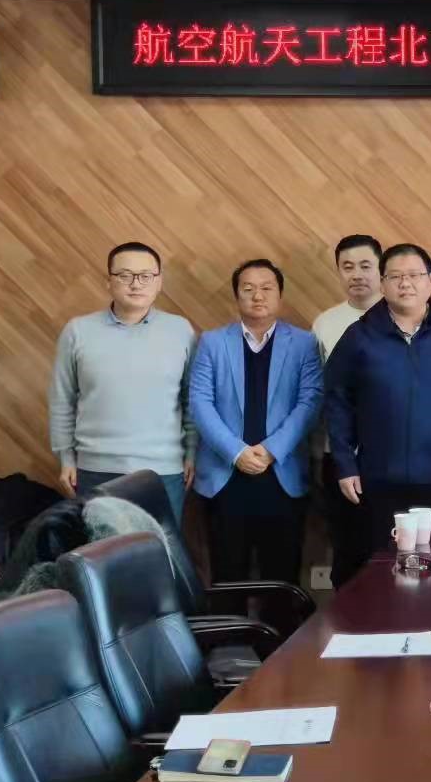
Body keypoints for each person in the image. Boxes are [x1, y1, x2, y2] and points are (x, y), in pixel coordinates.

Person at [324, 243, 431, 585]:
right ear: (383, 283)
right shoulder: (359, 336)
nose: (406, 283)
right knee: (381, 572)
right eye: (396, 276)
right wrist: (345, 464)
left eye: (415, 275)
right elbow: (336, 401)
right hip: (377, 480)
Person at [189, 260, 323, 585]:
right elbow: (199, 403)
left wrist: (271, 450)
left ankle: (281, 623)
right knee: (227, 574)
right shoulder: (212, 342)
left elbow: (310, 401)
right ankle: (230, 623)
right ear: (237, 295)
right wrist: (236, 452)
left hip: (282, 474)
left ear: (279, 295)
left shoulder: (304, 343)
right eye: (248, 289)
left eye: (266, 288)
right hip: (224, 476)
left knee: (282, 575)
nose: (257, 296)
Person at [48, 241, 195, 525]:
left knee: (160, 549)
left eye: (145, 276)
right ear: (109, 281)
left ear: (159, 281)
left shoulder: (181, 330)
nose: (136, 284)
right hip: (95, 469)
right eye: (125, 275)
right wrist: (65, 457)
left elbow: (191, 400)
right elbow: (62, 400)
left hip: (163, 471)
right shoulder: (78, 331)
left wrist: (191, 453)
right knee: (101, 549)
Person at [311, 234, 381, 576]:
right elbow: (318, 394)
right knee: (347, 553)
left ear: (381, 269)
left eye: (366, 266)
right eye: (348, 267)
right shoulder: (324, 323)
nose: (357, 274)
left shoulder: (404, 316)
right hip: (339, 457)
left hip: (390, 458)